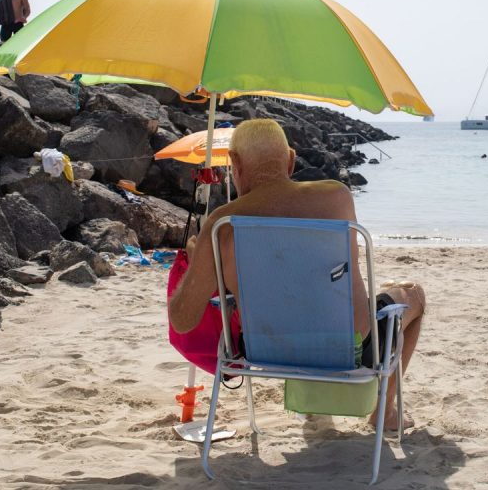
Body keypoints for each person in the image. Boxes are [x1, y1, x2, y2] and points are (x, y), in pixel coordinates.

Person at [169, 119, 425, 430]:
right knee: (413, 294)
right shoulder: (336, 197)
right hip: (351, 350)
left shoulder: (222, 224)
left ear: (234, 163)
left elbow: (182, 320)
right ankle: (385, 413)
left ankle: (317, 410)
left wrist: (197, 259)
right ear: (290, 160)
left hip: (265, 351)